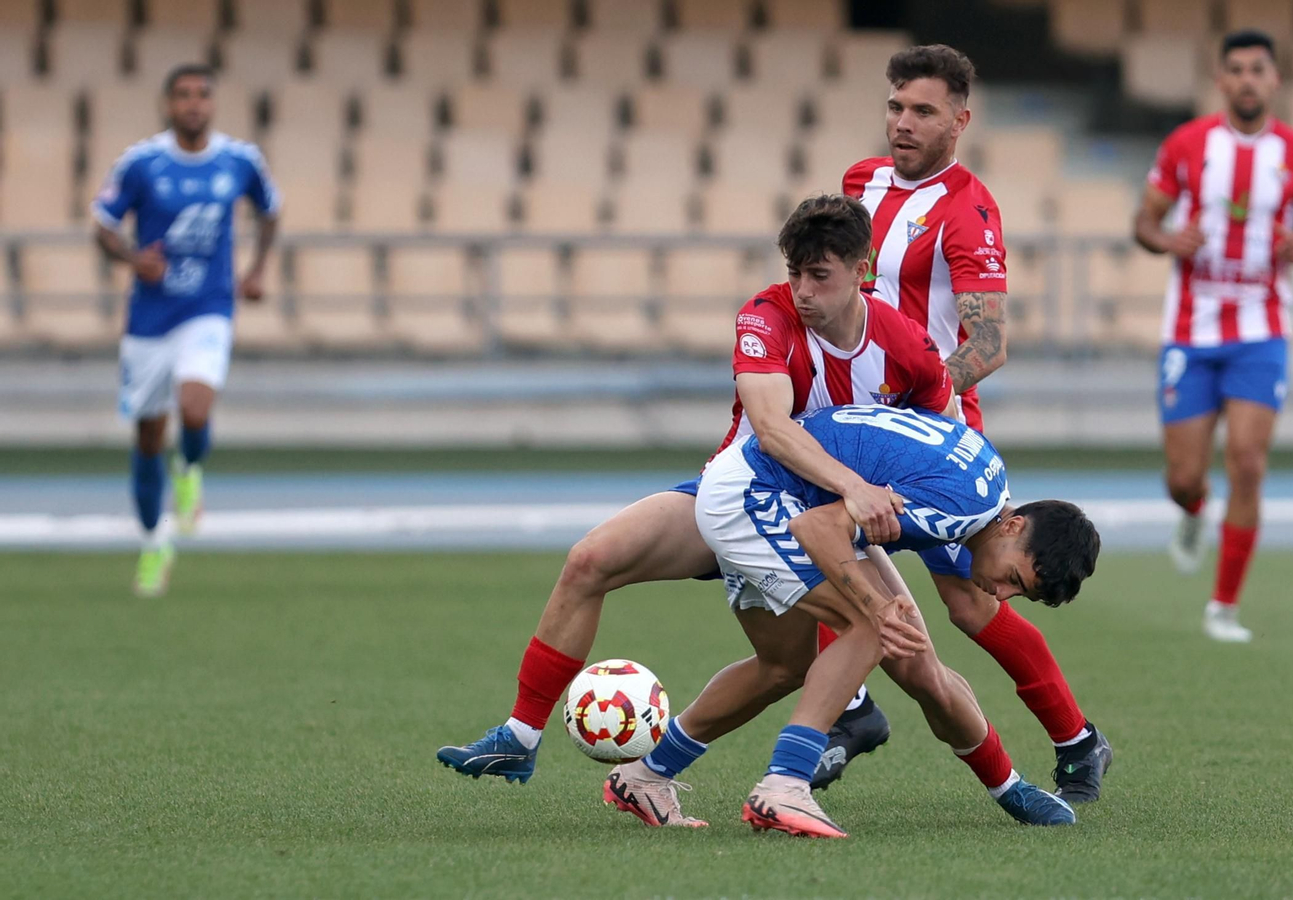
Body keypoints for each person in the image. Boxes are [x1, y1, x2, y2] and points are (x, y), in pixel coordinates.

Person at [437, 195, 960, 782]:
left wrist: (904, 509)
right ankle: (520, 735)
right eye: (795, 272)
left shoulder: (906, 345)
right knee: (590, 560)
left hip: (825, 524)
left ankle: (1009, 778)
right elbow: (770, 428)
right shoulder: (766, 316)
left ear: (862, 271)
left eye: (820, 275)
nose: (803, 291)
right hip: (737, 501)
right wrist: (857, 485)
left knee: (909, 666)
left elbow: (945, 438)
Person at [602, 404, 1099, 836]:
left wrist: (1009, 791)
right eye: (1014, 576)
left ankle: (646, 775)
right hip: (758, 497)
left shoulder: (986, 485)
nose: (1003, 594)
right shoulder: (959, 508)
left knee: (793, 666)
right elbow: (816, 527)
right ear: (1013, 526)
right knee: (872, 626)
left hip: (768, 487)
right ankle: (785, 783)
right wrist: (875, 606)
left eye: (1020, 594)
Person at [831, 43, 1110, 801]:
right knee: (826, 538)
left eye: (922, 111)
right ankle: (849, 710)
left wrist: (913, 394)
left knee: (966, 603)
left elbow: (987, 343)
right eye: (895, 106)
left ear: (960, 119)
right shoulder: (860, 182)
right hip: (857, 417)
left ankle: (1077, 739)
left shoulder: (969, 208)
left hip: (934, 434)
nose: (903, 123)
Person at [1133, 30, 1293, 643]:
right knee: (1183, 477)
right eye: (1237, 70)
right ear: (1221, 81)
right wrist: (1168, 239)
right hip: (1191, 331)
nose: (1248, 80)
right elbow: (1144, 221)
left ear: (1274, 81)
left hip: (1262, 328)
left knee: (1248, 462)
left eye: (1258, 70)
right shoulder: (1188, 145)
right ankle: (1193, 512)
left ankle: (1223, 606)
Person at [91, 63, 280, 597]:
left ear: (212, 104)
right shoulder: (142, 163)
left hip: (209, 307)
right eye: (183, 95)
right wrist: (133, 258)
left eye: (202, 95)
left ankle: (190, 467)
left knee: (195, 408)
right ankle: (154, 541)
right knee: (148, 437)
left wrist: (258, 269)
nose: (193, 104)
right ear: (168, 104)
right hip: (150, 321)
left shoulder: (239, 161)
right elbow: (103, 226)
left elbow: (270, 211)